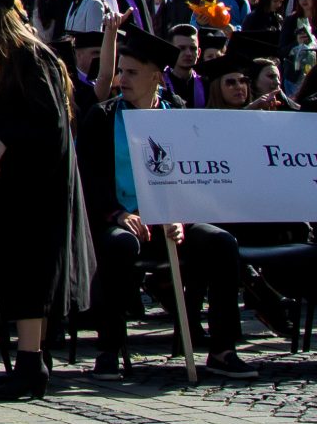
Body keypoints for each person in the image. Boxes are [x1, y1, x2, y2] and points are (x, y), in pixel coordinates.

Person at [74, 20, 255, 380]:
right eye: (121, 71)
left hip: (171, 221)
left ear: (156, 77)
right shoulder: (103, 117)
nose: (122, 79)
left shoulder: (177, 115)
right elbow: (89, 180)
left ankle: (222, 350)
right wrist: (117, 214)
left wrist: (179, 215)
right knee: (119, 246)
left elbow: (192, 175)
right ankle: (109, 349)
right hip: (122, 219)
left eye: (132, 73)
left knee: (222, 243)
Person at [0, 0, 92, 399]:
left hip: (35, 190)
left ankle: (31, 366)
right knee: (20, 275)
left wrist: (6, 141)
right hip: (15, 188)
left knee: (31, 276)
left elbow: (49, 121)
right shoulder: (2, 59)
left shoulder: (30, 57)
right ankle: (32, 361)